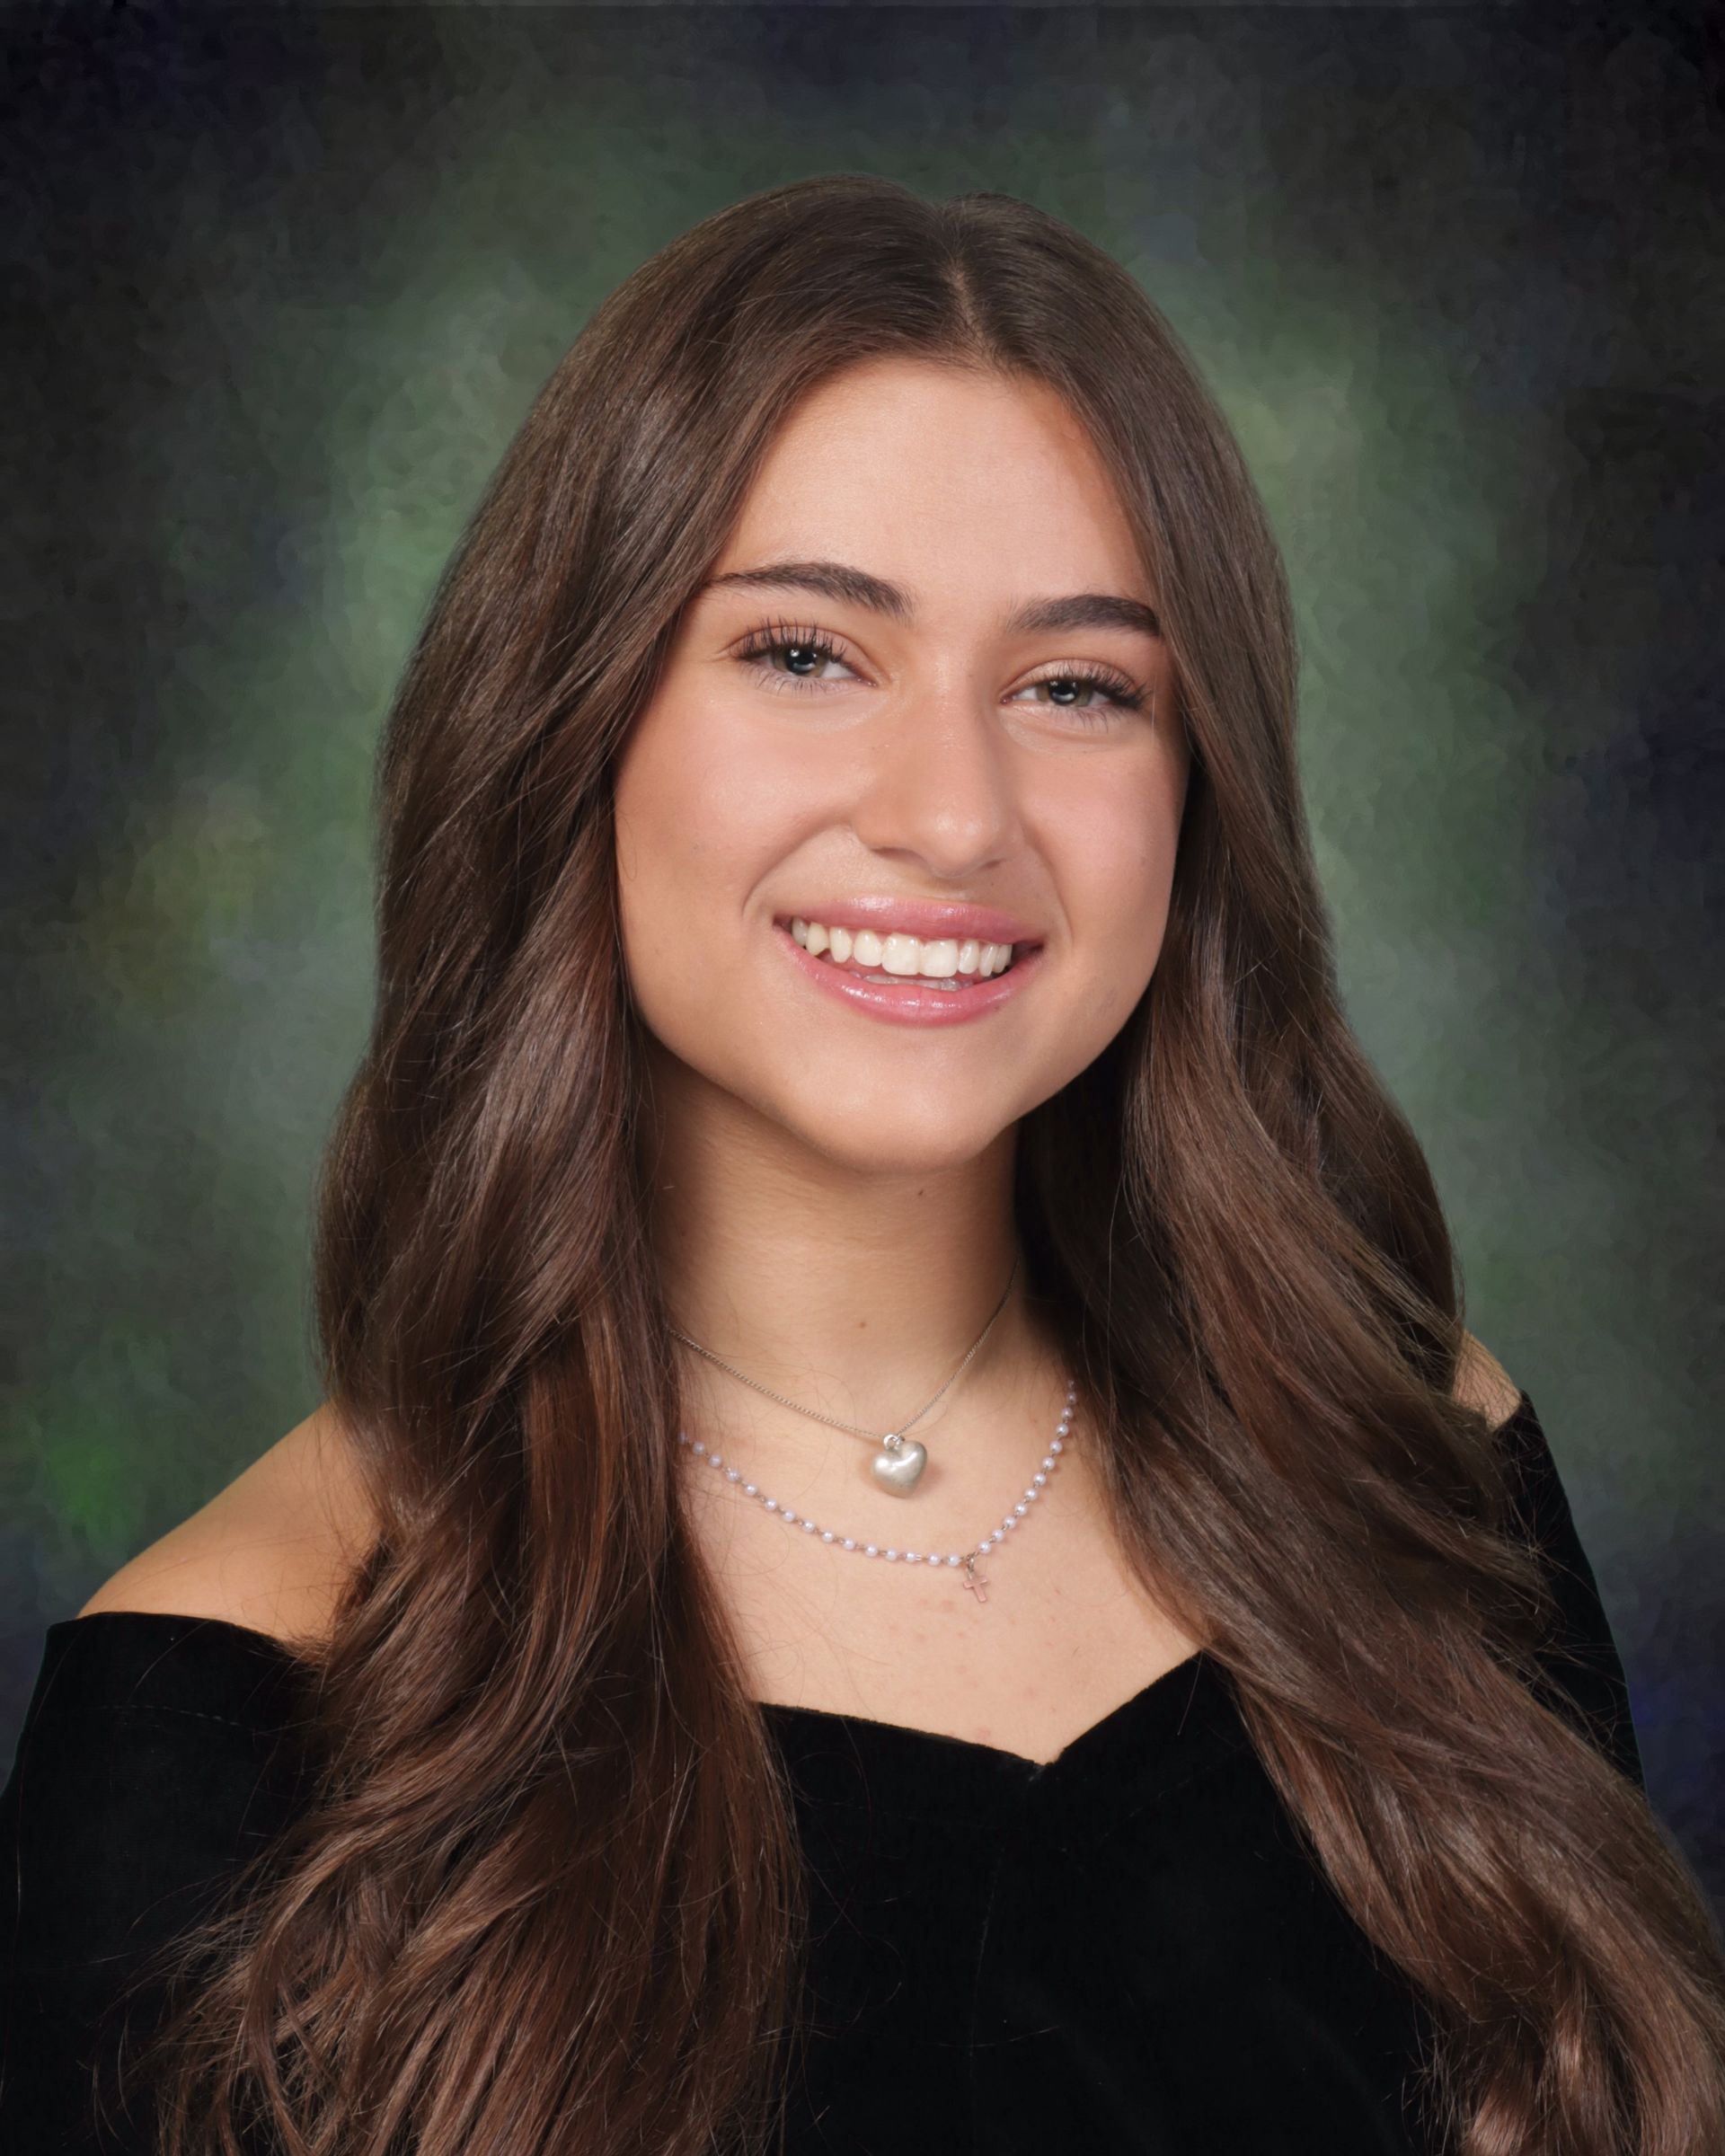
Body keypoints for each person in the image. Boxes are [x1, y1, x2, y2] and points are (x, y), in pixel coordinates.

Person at [3, 173, 1721, 2156]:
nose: (954, 816)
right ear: (572, 720)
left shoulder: (1403, 1454)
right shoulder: (224, 1702)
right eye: (809, 654)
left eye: (1078, 685)